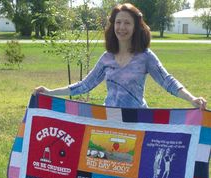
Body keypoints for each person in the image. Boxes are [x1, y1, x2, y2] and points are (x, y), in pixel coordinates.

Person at [34, 3, 207, 110]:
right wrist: (50, 93)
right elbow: (85, 85)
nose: (121, 27)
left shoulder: (145, 57)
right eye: (118, 22)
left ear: (136, 27)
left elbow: (168, 81)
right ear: (113, 26)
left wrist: (192, 99)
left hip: (138, 120)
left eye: (127, 23)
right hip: (109, 120)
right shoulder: (106, 58)